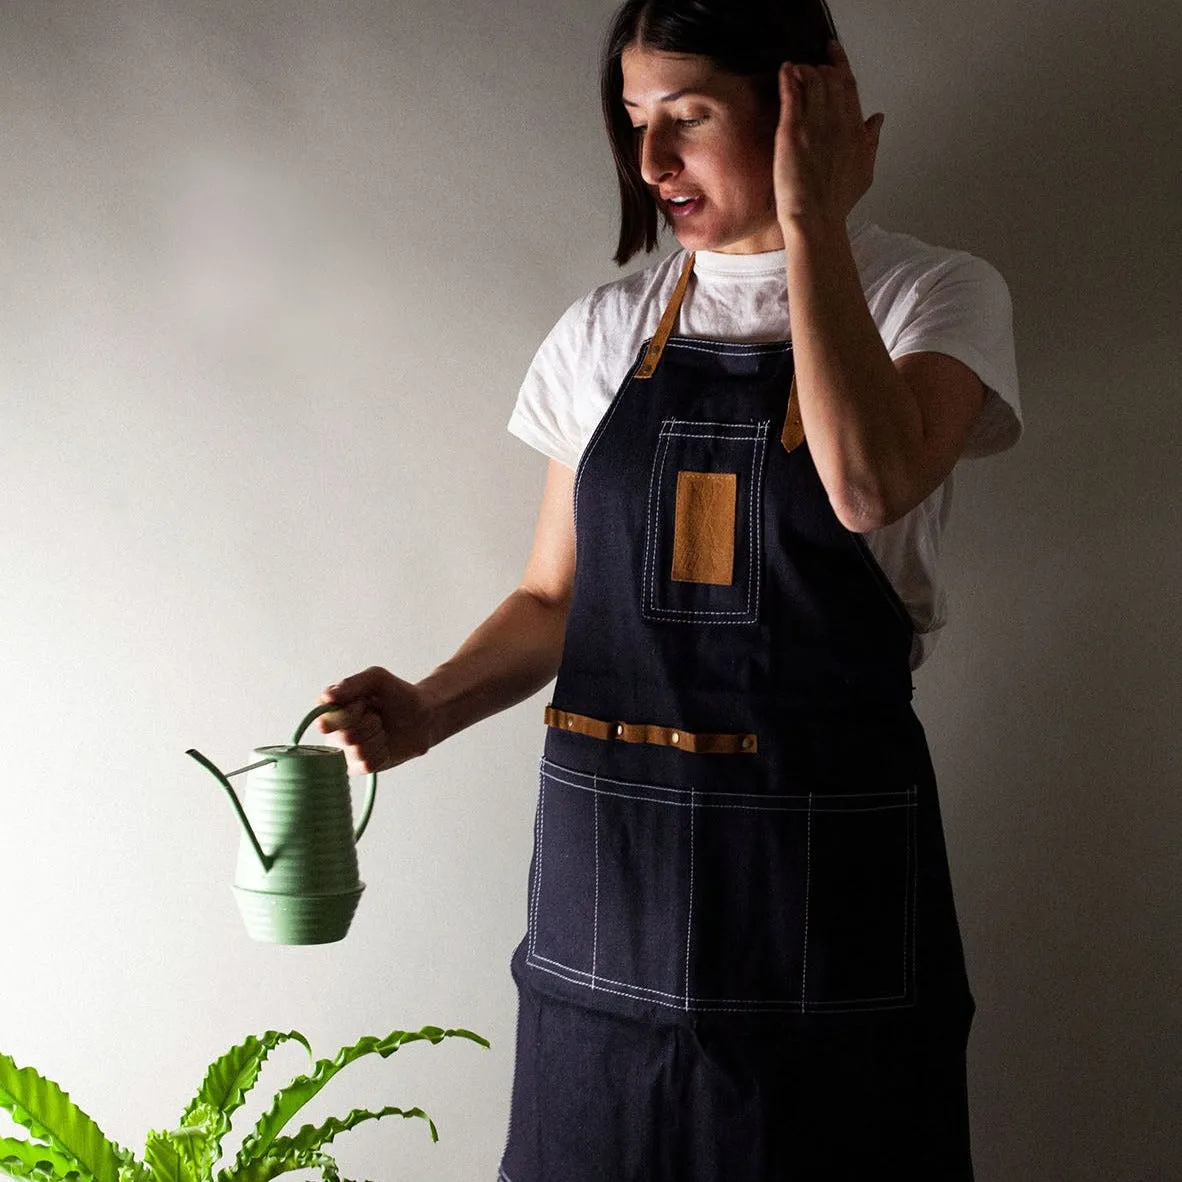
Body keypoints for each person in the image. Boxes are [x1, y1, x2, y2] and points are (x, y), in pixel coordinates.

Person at [319, 0, 1021, 1176]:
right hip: (619, 896)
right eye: (637, 123)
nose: (651, 164)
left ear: (802, 108)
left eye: (686, 119)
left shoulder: (932, 298)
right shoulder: (604, 330)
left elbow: (867, 481)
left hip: (822, 888)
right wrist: (431, 709)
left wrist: (812, 221)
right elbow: (555, 599)